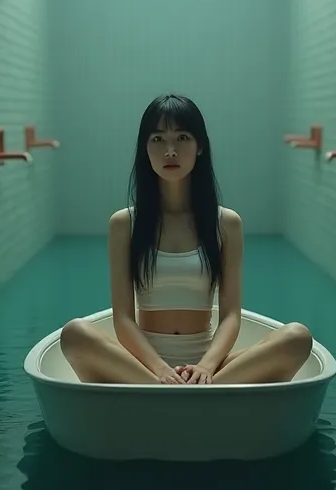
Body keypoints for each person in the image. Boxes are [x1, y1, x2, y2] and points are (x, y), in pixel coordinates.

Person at [61, 94, 312, 385]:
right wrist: (159, 370)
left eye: (182, 137)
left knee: (296, 337)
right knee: (75, 333)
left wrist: (205, 367)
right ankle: (183, 393)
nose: (170, 150)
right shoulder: (124, 224)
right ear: (145, 148)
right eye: (157, 139)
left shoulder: (226, 223)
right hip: (142, 366)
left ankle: (198, 389)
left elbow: (231, 315)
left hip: (208, 365)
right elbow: (124, 319)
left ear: (200, 146)